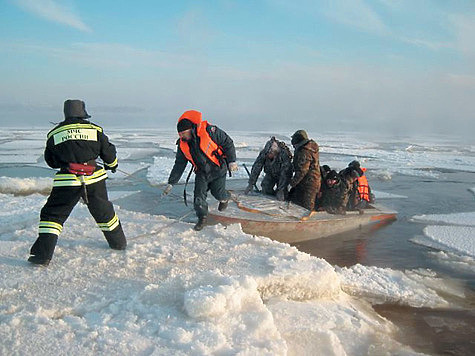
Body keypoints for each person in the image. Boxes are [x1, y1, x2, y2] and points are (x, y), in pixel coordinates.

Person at [28, 99, 127, 266]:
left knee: (52, 216)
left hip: (67, 180)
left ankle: (42, 256)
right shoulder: (95, 130)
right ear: (83, 114)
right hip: (94, 179)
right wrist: (112, 165)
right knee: (104, 212)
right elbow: (108, 153)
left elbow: (51, 161)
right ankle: (119, 244)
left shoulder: (54, 133)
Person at [163, 110, 237, 231]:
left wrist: (232, 160)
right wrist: (171, 182)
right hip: (202, 173)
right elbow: (179, 164)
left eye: (183, 133)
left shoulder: (210, 131)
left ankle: (225, 197)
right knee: (198, 197)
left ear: (191, 129)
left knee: (218, 193)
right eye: (180, 134)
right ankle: (202, 218)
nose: (182, 137)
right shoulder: (183, 145)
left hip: (218, 169)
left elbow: (227, 142)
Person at [288, 130, 321, 210]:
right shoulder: (309, 149)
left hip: (309, 183)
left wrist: (292, 184)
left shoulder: (304, 152)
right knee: (297, 202)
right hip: (308, 181)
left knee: (307, 207)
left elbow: (302, 171)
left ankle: (307, 222)